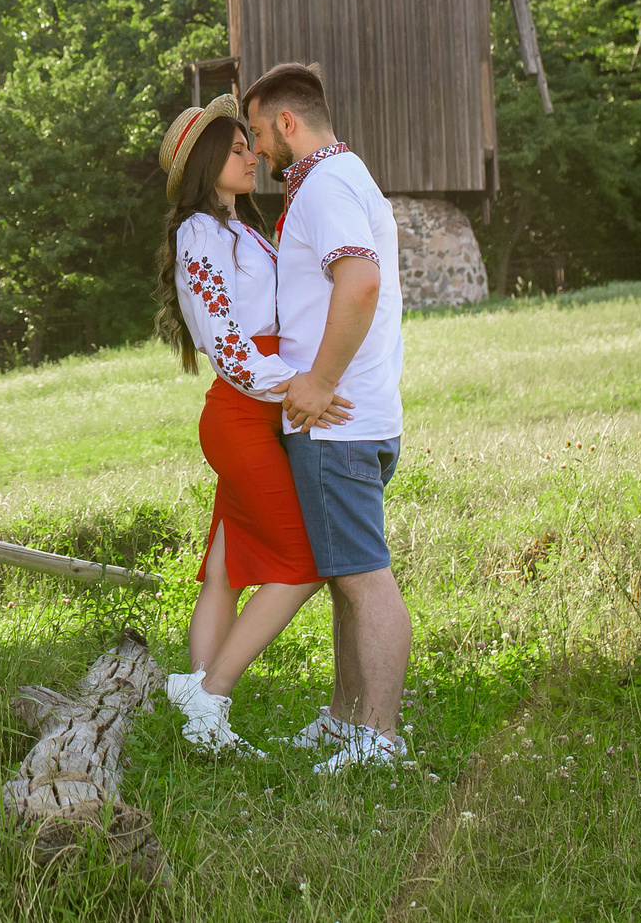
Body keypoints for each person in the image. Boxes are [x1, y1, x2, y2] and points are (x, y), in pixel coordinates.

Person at [150, 93, 351, 756]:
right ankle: (214, 691)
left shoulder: (243, 231)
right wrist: (299, 387)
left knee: (225, 570)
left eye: (248, 143)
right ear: (207, 162)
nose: (250, 154)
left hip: (265, 411)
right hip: (242, 411)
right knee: (300, 562)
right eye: (236, 148)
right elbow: (229, 346)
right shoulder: (198, 235)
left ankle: (200, 710)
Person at [242, 61, 413, 774]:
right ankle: (348, 721)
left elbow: (361, 278)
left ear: (287, 122)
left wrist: (318, 380)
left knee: (365, 578)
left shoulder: (328, 185)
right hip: (353, 418)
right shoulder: (333, 180)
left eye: (256, 133)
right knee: (348, 575)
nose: (254, 151)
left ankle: (380, 737)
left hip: (339, 420)